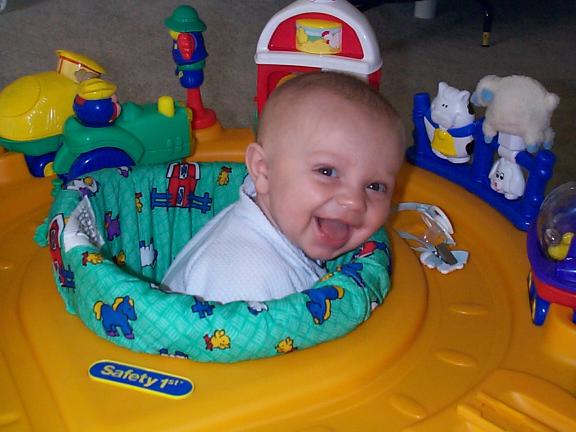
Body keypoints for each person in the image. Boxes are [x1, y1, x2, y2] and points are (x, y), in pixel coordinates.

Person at [161, 71, 405, 303]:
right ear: (263, 170)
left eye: (375, 186)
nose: (354, 201)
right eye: (327, 172)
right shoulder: (247, 279)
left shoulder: (275, 213)